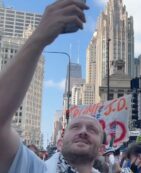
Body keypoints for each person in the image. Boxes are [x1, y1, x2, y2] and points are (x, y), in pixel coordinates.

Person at [0, 0, 103, 172]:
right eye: (75, 127)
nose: (83, 131)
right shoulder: (36, 168)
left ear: (102, 149)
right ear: (60, 142)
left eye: (92, 130)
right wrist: (40, 37)